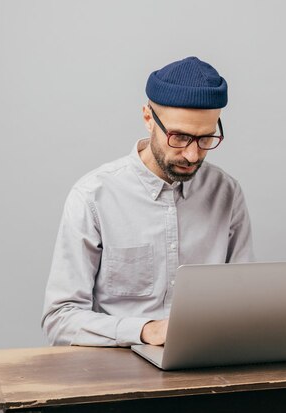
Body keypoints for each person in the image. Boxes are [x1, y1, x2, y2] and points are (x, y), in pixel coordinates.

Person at [41, 57, 254, 347]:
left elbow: (244, 301)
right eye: (179, 137)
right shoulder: (93, 196)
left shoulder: (226, 192)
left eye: (206, 139)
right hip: (120, 375)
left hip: (207, 368)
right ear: (147, 118)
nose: (192, 155)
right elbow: (59, 319)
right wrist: (145, 331)